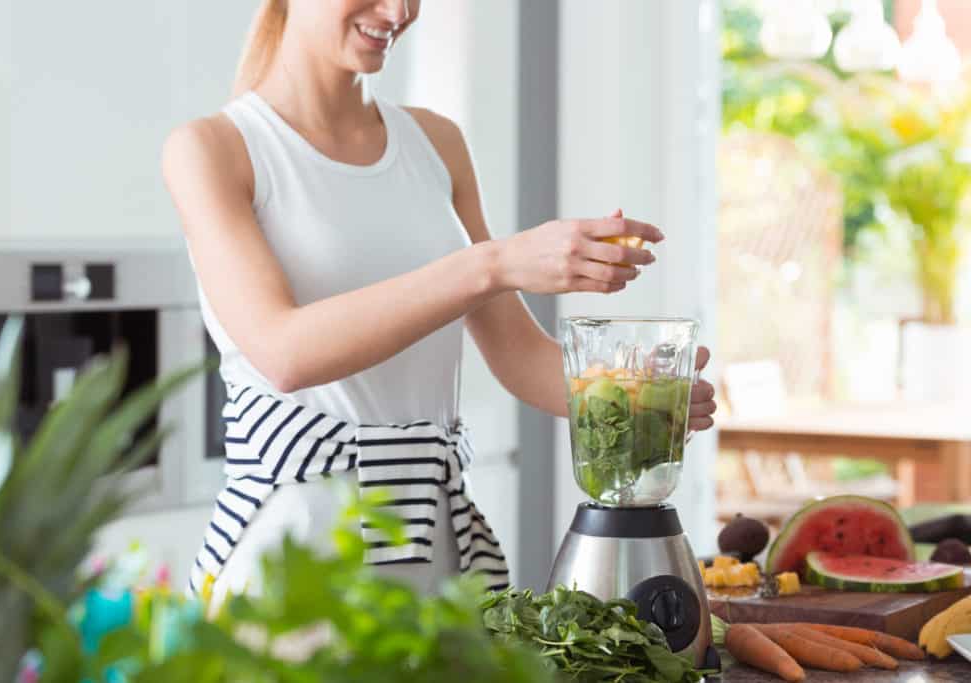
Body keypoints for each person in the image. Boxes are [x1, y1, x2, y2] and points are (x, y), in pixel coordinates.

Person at [162, 0, 717, 603]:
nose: (400, 10)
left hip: (436, 547)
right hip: (297, 555)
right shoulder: (214, 148)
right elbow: (284, 352)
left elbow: (520, 358)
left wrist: (637, 399)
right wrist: (494, 262)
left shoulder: (435, 142)